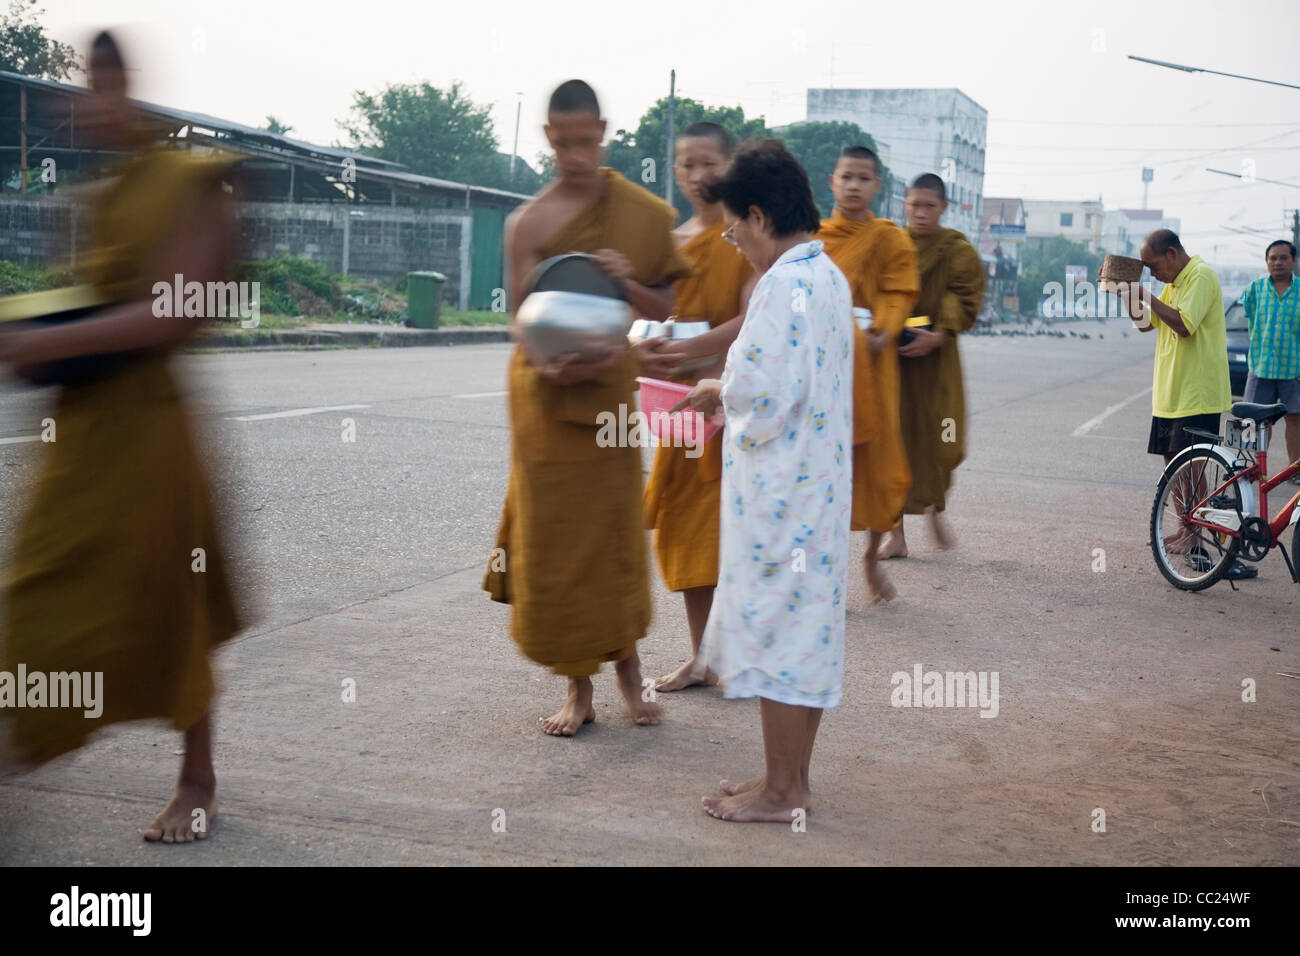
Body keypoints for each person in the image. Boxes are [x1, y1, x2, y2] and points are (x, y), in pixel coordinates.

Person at [0, 31, 242, 842]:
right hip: (83, 432)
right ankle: (22, 741)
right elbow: (99, 304)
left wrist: (44, 341)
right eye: (81, 90)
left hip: (153, 434)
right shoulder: (98, 194)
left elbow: (179, 309)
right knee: (39, 589)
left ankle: (197, 778)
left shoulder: (194, 179)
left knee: (169, 608)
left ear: (127, 88)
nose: (86, 106)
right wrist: (34, 326)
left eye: (100, 87)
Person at [482, 80, 692, 736]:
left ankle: (629, 671)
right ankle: (579, 689)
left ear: (603, 132)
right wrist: (547, 362)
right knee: (556, 542)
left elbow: (669, 305)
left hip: (607, 397)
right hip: (544, 398)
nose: (576, 154)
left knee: (611, 536)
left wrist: (624, 278)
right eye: (564, 142)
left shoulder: (641, 212)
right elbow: (519, 318)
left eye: (588, 141)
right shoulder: (528, 223)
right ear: (549, 138)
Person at [680, 140, 853, 822]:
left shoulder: (785, 283)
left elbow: (766, 393)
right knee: (803, 631)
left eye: (732, 230)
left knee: (783, 631)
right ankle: (789, 780)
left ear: (757, 215)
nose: (733, 243)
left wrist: (718, 391)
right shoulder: (827, 276)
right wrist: (730, 388)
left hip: (784, 493)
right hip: (818, 486)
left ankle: (783, 792)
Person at [640, 122, 754, 692]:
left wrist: (691, 347)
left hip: (730, 401)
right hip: (680, 407)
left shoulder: (743, 236)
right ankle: (704, 655)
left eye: (709, 163)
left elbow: (749, 318)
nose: (697, 175)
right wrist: (653, 347)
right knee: (687, 530)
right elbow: (653, 314)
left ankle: (731, 652)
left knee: (728, 534)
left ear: (729, 167)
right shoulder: (675, 239)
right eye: (686, 164)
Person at [817, 146, 918, 603]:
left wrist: (886, 328)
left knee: (880, 471)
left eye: (864, 178)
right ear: (832, 182)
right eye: (846, 177)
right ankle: (830, 575)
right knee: (826, 476)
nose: (854, 185)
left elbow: (899, 291)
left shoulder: (888, 238)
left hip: (873, 366)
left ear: (877, 186)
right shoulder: (814, 239)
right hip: (823, 370)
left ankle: (871, 556)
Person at [1122, 228, 1253, 580]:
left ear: (1171, 253)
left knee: (1194, 468)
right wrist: (1125, 293)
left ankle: (1200, 540)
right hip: (1171, 392)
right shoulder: (1174, 282)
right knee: (1174, 468)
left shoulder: (1201, 275)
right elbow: (1144, 325)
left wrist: (1146, 294)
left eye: (1153, 265)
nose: (1152, 272)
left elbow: (1183, 325)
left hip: (1198, 392)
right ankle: (1186, 528)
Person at [891, 173, 986, 554]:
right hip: (894, 361)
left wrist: (940, 332)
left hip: (938, 363)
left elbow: (965, 295)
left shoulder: (955, 249)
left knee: (944, 439)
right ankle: (895, 536)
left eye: (929, 206)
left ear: (943, 208)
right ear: (905, 204)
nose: (921, 213)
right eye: (914, 205)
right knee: (892, 444)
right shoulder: (892, 244)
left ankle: (935, 507)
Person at [1240, 239, 1300, 474]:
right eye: (1273, 258)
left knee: (1295, 420)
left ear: (1293, 260)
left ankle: (1294, 470)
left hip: (1293, 368)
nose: (1278, 263)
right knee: (1256, 421)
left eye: (1283, 258)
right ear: (1266, 262)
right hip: (1260, 365)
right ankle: (1256, 469)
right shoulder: (1254, 290)